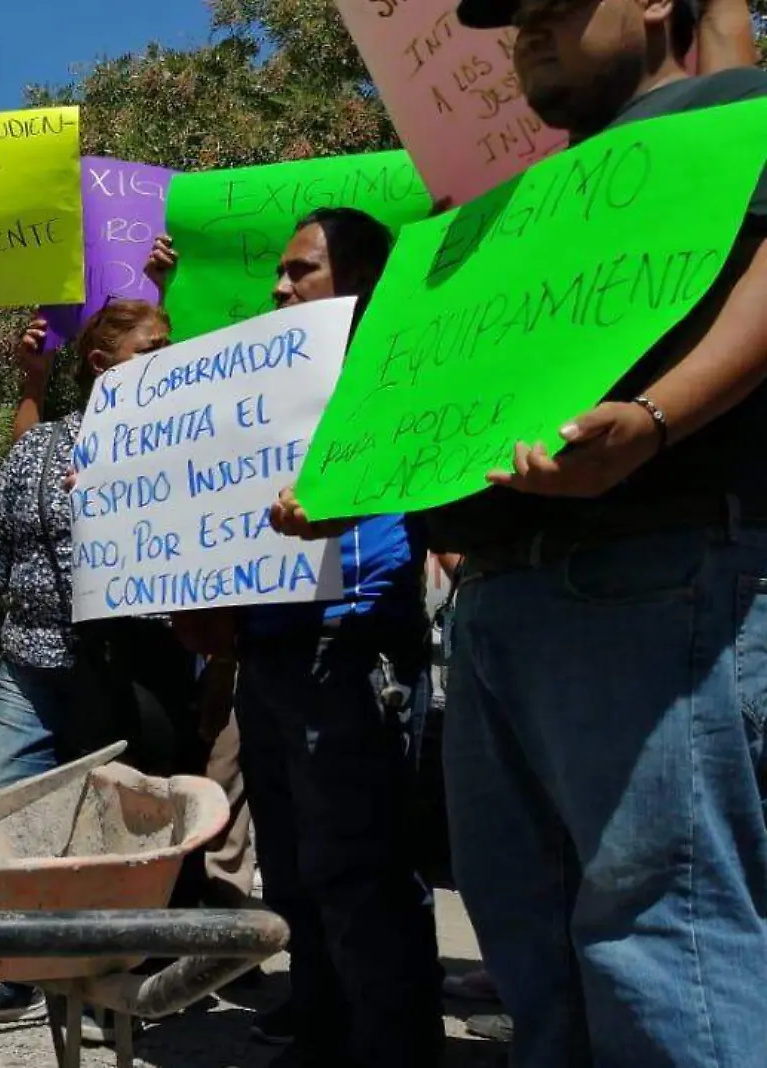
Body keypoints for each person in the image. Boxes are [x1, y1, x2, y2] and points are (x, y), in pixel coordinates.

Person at [273, 1, 767, 1062]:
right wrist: (354, 480)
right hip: (497, 602)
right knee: (531, 951)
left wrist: (656, 418)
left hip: (651, 574)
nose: (526, 34)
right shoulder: (508, 213)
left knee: (660, 941)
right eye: (514, 21)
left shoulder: (741, 114)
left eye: (553, 8)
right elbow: (449, 401)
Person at [161, 207, 442, 1067]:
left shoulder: (397, 376)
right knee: (292, 871)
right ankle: (322, 1030)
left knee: (357, 867)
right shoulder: (256, 396)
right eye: (279, 273)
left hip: (351, 646)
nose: (281, 287)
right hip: (268, 654)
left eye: (303, 271)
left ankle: (391, 1044)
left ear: (358, 281)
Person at [0, 300, 194, 1024]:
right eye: (151, 348)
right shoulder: (42, 446)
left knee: (127, 817)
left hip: (133, 662)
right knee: (1, 804)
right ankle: (11, 965)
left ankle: (115, 970)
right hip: (32, 656)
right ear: (101, 365)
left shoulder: (179, 447)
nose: (166, 358)